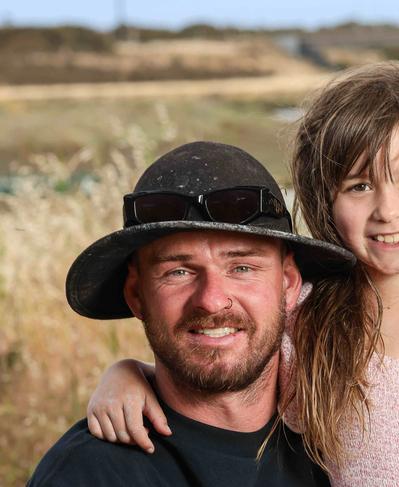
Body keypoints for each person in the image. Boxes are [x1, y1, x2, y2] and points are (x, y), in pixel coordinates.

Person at [86, 62, 399, 485]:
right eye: (357, 187)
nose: (388, 210)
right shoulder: (307, 317)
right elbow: (223, 373)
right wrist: (128, 374)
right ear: (322, 200)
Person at [28, 141, 355, 486]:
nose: (212, 301)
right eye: (178, 272)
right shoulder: (89, 474)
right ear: (136, 295)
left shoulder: (344, 444)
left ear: (288, 283)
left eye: (242, 267)